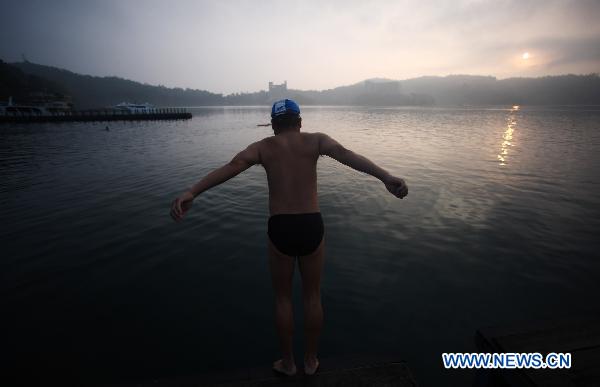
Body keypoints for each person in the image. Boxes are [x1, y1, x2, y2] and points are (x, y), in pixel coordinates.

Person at [170, 99, 408, 376]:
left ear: (273, 125)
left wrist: (192, 191)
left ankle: (287, 363)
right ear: (300, 122)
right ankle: (310, 361)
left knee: (283, 299)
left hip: (281, 226)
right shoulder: (316, 141)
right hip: (311, 224)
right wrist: (385, 176)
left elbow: (232, 166)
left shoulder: (262, 147)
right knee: (312, 295)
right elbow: (347, 155)